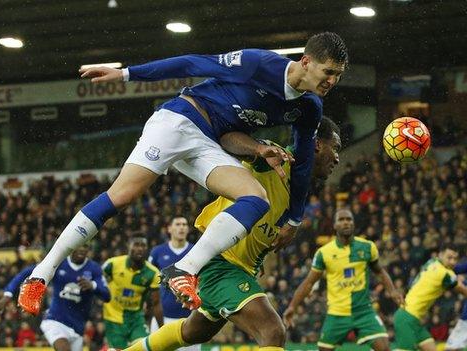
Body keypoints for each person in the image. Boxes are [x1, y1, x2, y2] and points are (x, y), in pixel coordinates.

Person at [19, 32, 348, 314]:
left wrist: (292, 218)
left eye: (338, 75)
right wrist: (126, 75)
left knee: (256, 198)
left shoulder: (309, 108)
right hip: (178, 121)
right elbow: (192, 63)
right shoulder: (258, 64)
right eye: (328, 71)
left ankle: (184, 269)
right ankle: (40, 275)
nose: (332, 81)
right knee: (122, 196)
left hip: (208, 143)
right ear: (306, 62)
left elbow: (302, 163)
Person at [111, 116, 341, 351]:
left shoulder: (297, 193)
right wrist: (258, 149)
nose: (337, 157)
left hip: (240, 268)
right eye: (335, 148)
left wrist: (256, 252)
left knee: (193, 332)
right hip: (220, 265)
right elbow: (228, 139)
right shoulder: (277, 160)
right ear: (317, 144)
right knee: (272, 331)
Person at [282, 209, 403, 351]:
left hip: (364, 311)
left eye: (349, 219)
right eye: (341, 219)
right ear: (334, 225)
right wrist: (292, 306)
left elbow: (380, 272)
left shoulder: (367, 247)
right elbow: (309, 282)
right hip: (337, 313)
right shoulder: (324, 253)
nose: (346, 222)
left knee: (384, 348)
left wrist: (392, 291)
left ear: (353, 223)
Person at [0, 244, 110, 351]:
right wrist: (8, 293)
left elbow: (107, 295)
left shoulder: (95, 269)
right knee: (64, 348)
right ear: (72, 246)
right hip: (55, 320)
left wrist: (93, 285)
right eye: (79, 245)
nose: (82, 249)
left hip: (78, 327)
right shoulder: (59, 263)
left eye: (85, 246)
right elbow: (26, 272)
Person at [393, 244, 467, 351]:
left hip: (413, 319)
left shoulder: (432, 262)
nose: (452, 261)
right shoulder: (444, 274)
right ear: (441, 255)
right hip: (407, 318)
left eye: (455, 258)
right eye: (449, 257)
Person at [147, 217, 199, 351]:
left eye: (184, 224)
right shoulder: (157, 252)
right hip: (163, 317)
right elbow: (148, 281)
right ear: (169, 229)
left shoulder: (197, 251)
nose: (181, 227)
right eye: (178, 224)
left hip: (191, 318)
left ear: (188, 229)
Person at [102, 236, 163, 349]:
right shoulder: (112, 264)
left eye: (143, 245)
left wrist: (162, 328)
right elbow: (99, 284)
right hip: (113, 319)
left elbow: (156, 303)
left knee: (144, 347)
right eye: (136, 244)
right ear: (128, 246)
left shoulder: (153, 273)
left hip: (136, 319)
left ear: (147, 249)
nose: (140, 248)